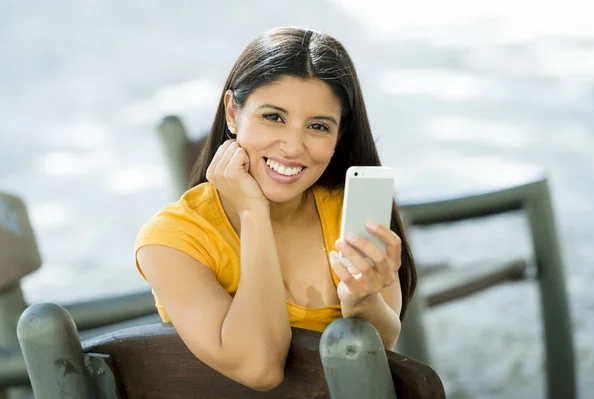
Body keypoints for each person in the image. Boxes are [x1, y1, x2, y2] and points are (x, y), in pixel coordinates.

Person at [135, 26, 417, 391]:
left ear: (339, 135)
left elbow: (377, 361)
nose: (293, 147)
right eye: (273, 117)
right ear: (232, 113)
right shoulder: (171, 240)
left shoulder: (348, 213)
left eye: (317, 126)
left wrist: (362, 299)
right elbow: (259, 369)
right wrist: (254, 214)